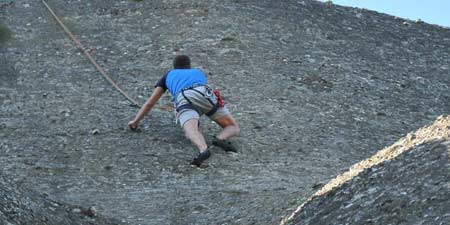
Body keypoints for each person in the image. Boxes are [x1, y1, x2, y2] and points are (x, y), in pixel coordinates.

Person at [128, 55, 240, 167]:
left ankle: (203, 149)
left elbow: (150, 103)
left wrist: (135, 121)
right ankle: (220, 138)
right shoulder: (197, 72)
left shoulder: (168, 75)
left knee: (191, 130)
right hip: (206, 93)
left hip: (185, 97)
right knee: (232, 126)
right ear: (189, 65)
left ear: (174, 66)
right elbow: (199, 99)